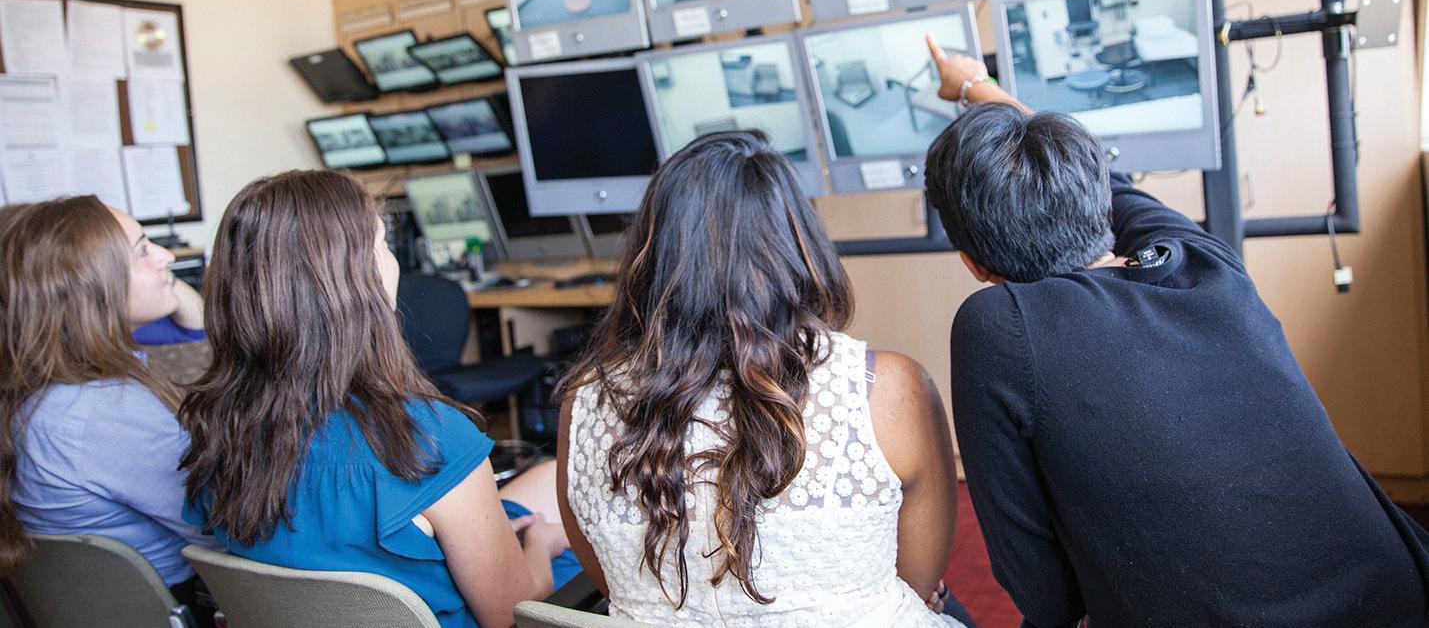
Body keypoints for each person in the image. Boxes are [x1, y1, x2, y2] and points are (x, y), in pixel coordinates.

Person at [920, 37, 1429, 627]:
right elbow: (1112, 182)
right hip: (1402, 598)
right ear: (1098, 200)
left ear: (973, 264)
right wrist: (975, 84)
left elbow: (1042, 593)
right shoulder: (1204, 263)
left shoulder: (997, 326)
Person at [557, 131, 970, 627]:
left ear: (653, 256)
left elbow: (610, 581)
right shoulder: (891, 389)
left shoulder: (584, 403)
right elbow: (919, 581)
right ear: (799, 243)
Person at [180, 170, 577, 628]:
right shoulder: (428, 437)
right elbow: (511, 615)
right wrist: (542, 546)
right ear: (356, 278)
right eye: (381, 243)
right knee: (573, 535)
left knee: (550, 476)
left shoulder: (217, 429)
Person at [0, 197, 216, 619]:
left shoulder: (43, 390)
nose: (166, 256)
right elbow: (224, 531)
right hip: (180, 605)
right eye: (142, 249)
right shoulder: (102, 411)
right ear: (89, 284)